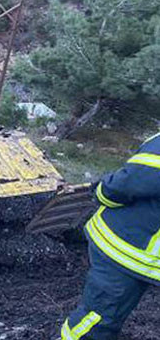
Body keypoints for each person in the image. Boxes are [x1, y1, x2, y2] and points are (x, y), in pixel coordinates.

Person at [60, 132, 160, 340]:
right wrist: (102, 192)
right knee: (97, 322)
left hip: (139, 251)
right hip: (126, 249)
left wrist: (102, 191)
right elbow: (132, 179)